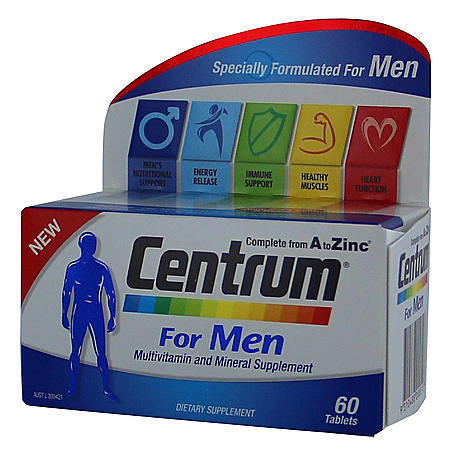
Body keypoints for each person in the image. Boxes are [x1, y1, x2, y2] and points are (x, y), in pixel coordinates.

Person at [61, 231, 117, 400]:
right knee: (76, 351)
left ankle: (106, 388)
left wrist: (113, 316)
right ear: (82, 246)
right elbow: (66, 292)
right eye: (89, 244)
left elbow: (111, 293)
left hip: (96, 312)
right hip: (79, 312)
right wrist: (64, 313)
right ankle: (72, 387)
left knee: (101, 352)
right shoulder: (73, 268)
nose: (91, 247)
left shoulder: (102, 268)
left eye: (93, 244)